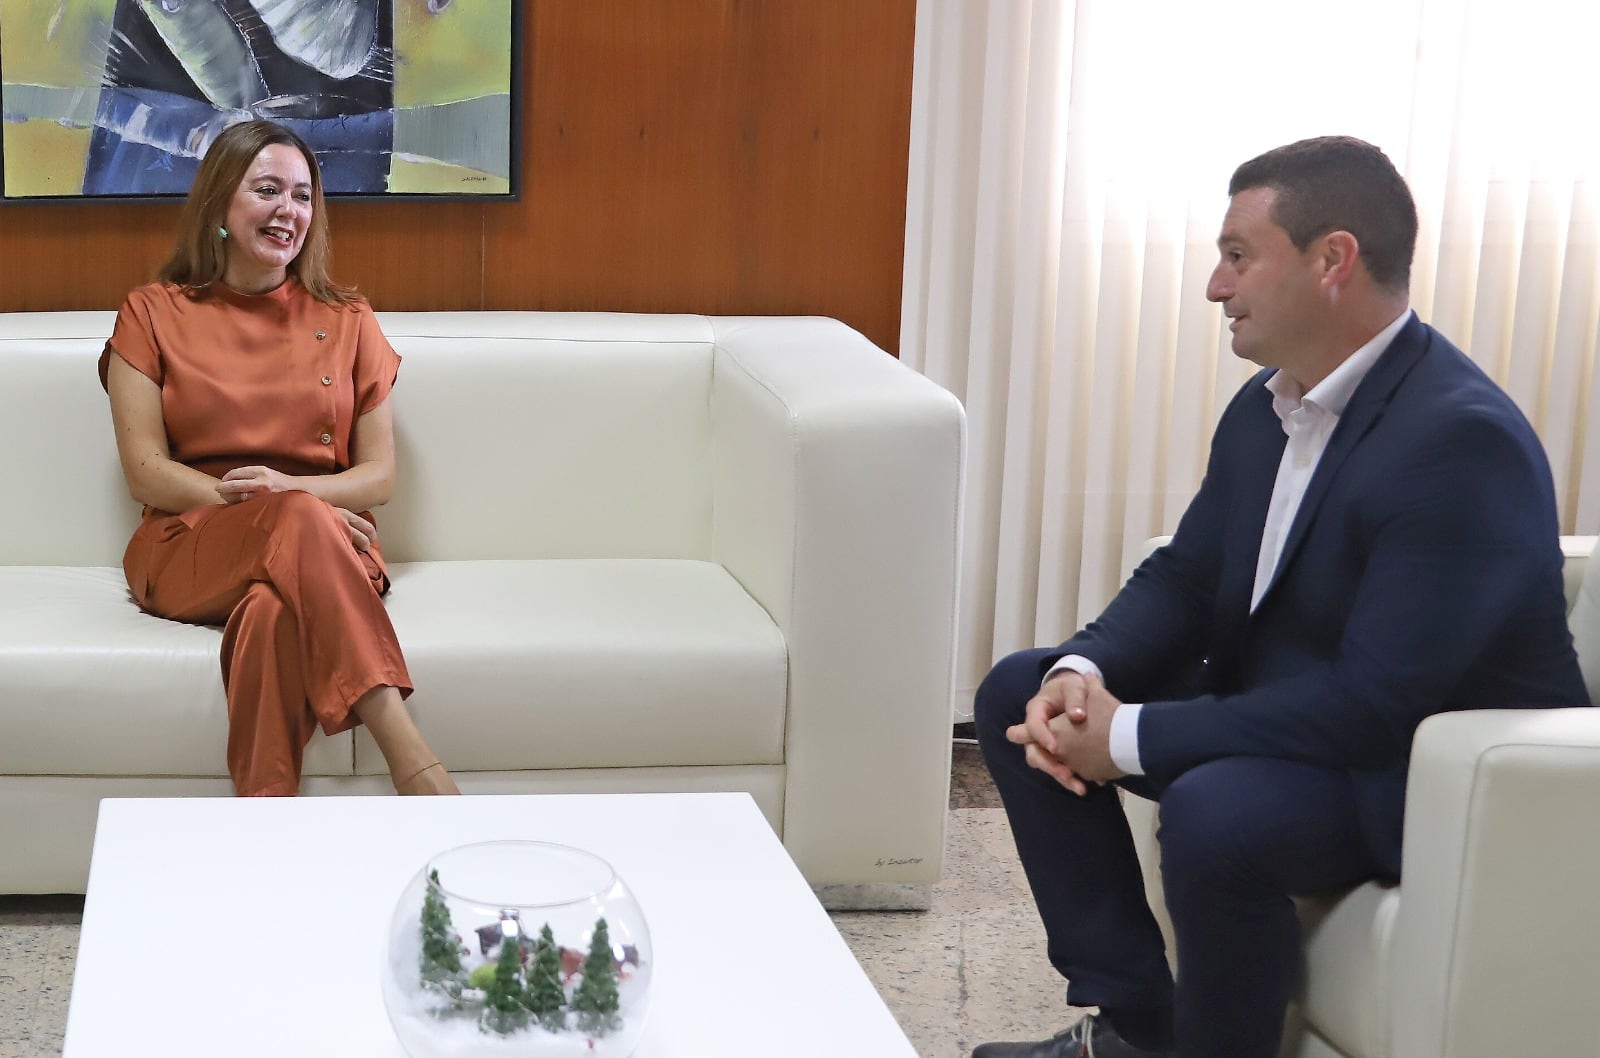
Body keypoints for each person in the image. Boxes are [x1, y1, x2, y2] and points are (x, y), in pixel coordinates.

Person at [971, 136, 1588, 1058]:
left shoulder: (1460, 443)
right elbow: (1188, 575)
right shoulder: (1271, 404)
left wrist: (1127, 736)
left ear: (1331, 259)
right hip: (1299, 718)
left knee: (1218, 812)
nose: (1217, 288)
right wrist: (1080, 670)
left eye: (1236, 256)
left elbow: (1376, 705)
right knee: (1016, 692)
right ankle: (1138, 1031)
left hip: (1423, 772)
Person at [100, 119, 459, 798]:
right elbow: (144, 469)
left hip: (326, 547)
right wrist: (285, 507)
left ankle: (265, 832)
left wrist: (297, 500)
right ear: (220, 207)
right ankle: (410, 756)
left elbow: (378, 477)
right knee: (293, 522)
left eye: (302, 195)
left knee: (269, 613)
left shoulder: (348, 318)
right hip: (190, 543)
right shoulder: (151, 313)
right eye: (268, 190)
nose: (288, 211)